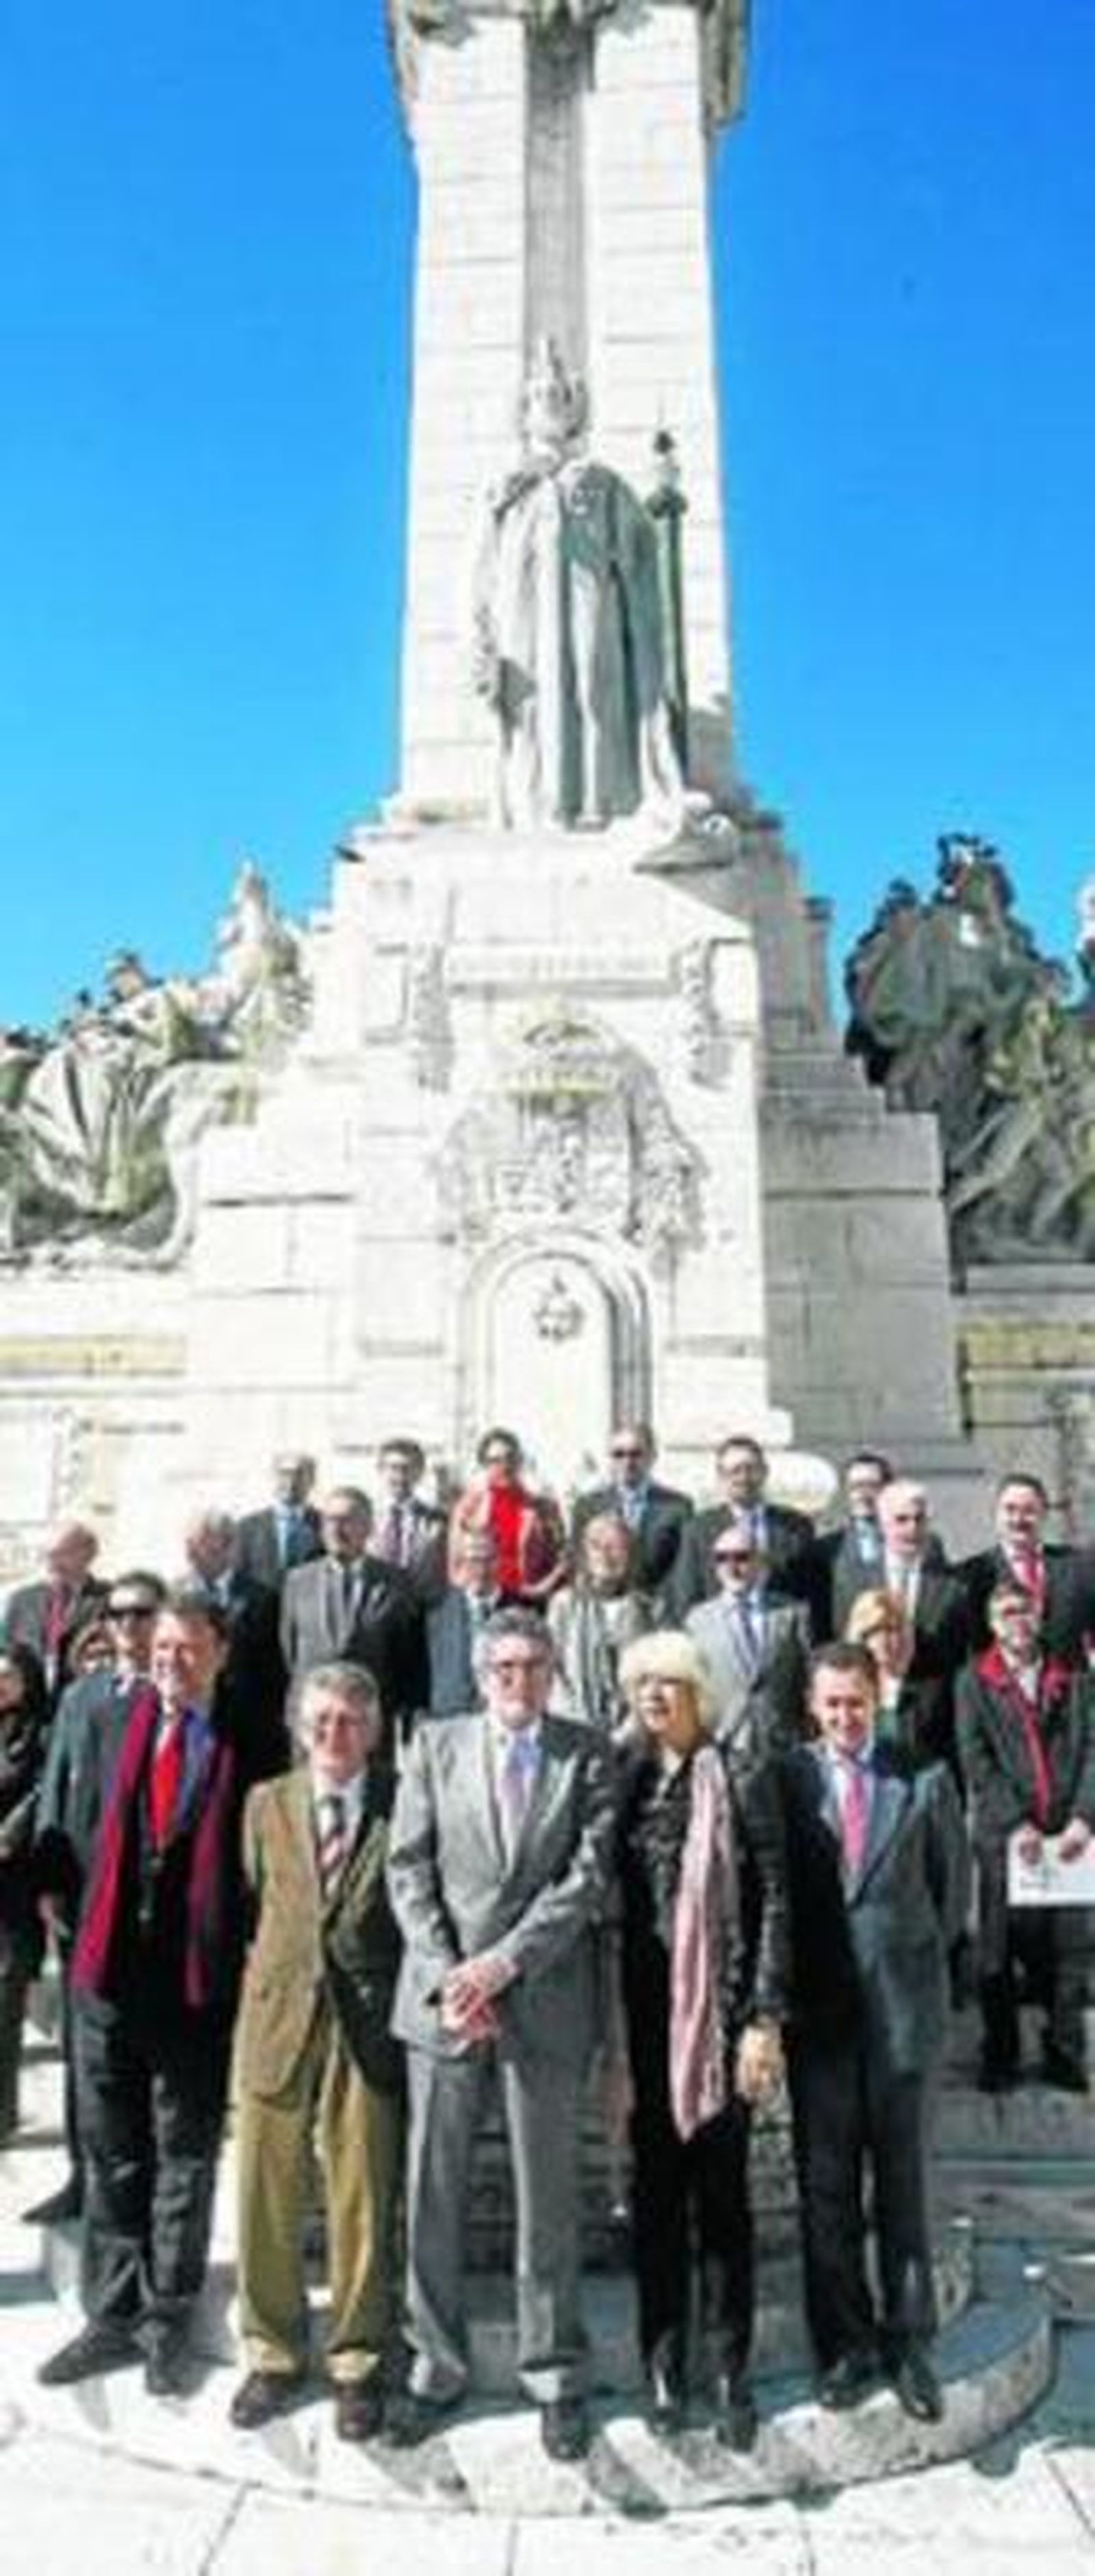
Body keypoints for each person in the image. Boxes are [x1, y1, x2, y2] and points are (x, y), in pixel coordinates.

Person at [385, 1606, 615, 2460]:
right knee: (431, 2188)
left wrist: (503, 1964)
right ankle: (433, 2366)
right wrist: (454, 1971)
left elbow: (586, 1875)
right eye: (503, 1666)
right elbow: (407, 1866)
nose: (518, 1680)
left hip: (543, 1996)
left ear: (552, 1671)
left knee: (546, 2193)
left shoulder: (583, 1752)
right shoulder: (434, 1745)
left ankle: (553, 2368)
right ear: (482, 1674)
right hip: (445, 2000)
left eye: (532, 1665)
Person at [38, 1591, 250, 2395]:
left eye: (188, 1649)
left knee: (183, 2156)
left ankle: (168, 2315)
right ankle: (111, 2312)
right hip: (108, 1977)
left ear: (219, 1653)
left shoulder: (249, 1739)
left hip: (194, 1985)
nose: (171, 1662)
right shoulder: (103, 1720)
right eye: (161, 1648)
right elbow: (72, 1821)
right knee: (113, 2150)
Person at [781, 1643, 968, 2423]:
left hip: (902, 2018)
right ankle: (846, 2345)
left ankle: (909, 2341)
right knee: (826, 2193)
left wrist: (916, 1977)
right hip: (821, 2023)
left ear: (876, 1696)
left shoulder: (921, 1778)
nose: (844, 1716)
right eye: (831, 1703)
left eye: (856, 1701)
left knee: (905, 2190)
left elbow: (952, 1898)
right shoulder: (786, 1780)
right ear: (812, 1707)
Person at [611, 1632, 788, 2446]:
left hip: (717, 2019)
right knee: (654, 2198)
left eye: (668, 1683)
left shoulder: (738, 1773)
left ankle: (729, 2367)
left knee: (722, 2202)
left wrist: (761, 2018)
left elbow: (774, 1899)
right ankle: (662, 2363)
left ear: (697, 1693)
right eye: (642, 1682)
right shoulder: (629, 1778)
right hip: (645, 2023)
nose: (654, 1695)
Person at [230, 1662, 404, 2440]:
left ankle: (356, 2359)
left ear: (372, 1728)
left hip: (366, 2021)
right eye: (322, 1720)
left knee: (361, 2190)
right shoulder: (265, 1802)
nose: (336, 1733)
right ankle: (270, 2351)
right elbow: (253, 1895)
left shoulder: (401, 1803)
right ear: (301, 1727)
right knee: (266, 2187)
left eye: (351, 1720)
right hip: (277, 2016)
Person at [31, 1570, 167, 2224]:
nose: (128, 1627)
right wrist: (49, 1883)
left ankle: (136, 2186)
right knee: (80, 2052)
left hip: (150, 1906)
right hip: (83, 1895)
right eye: (117, 1615)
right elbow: (58, 1783)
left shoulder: (177, 1698)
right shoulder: (84, 1696)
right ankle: (82, 2173)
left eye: (141, 1614)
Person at [956, 1581, 1095, 2094]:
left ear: (1040, 1614)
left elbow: (1094, 1752)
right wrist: (1016, 1823)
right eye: (1007, 1613)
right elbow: (976, 1759)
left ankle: (1064, 2053)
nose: (1018, 1620)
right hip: (1006, 1840)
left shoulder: (1075, 1677)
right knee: (997, 1950)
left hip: (1070, 1839)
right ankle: (1001, 2053)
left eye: (1026, 1610)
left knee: (1070, 1954)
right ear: (994, 1624)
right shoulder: (974, 1681)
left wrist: (1083, 1817)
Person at [280, 1487, 426, 1751]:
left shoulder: (396, 1583)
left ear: (369, 1526)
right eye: (330, 1520)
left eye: (348, 1520)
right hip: (312, 1722)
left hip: (368, 1724)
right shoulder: (298, 1582)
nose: (338, 1529)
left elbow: (406, 1656)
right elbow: (289, 1651)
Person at [684, 1517, 810, 1763]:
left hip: (782, 1746)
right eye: (722, 1558)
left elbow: (805, 1676)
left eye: (741, 1557)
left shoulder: (792, 1613)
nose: (732, 1567)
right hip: (723, 1744)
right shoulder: (697, 1621)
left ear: (761, 1562)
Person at [182, 1507, 289, 1784]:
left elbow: (275, 1669)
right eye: (188, 1542)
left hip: (246, 1726)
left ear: (229, 1545)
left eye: (200, 1542)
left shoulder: (262, 1599)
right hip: (190, 1718)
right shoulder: (176, 1595)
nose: (190, 1551)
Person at [669, 1436, 819, 1623]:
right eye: (735, 1471)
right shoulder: (697, 1530)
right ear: (721, 1476)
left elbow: (810, 1591)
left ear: (764, 1472)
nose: (744, 1478)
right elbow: (686, 1597)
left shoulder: (796, 1527)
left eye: (751, 1469)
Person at [957, 1473, 1095, 1664]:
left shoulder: (1080, 1566)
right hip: (998, 1691)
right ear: (995, 1514)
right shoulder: (969, 1577)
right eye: (1010, 1509)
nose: (1019, 1519)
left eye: (1029, 1510)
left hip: (1070, 1689)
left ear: (1044, 1513)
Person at [0, 1645, 50, 2140]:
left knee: (6, 1997)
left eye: (9, 1676)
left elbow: (41, 1791)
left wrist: (10, 1836)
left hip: (14, 1885)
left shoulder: (41, 1731)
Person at [549, 1512, 652, 1735]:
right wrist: (578, 1724)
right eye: (596, 1546)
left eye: (615, 1547)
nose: (606, 1556)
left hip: (633, 1737)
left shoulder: (648, 1609)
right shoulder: (564, 1605)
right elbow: (552, 1670)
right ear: (585, 1555)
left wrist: (628, 1731)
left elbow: (653, 1676)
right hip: (573, 1728)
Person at [569, 1425, 692, 1610]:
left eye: (636, 1454)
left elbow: (682, 1566)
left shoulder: (678, 1507)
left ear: (651, 1457)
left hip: (655, 1608)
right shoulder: (587, 1506)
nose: (628, 1462)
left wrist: (665, 1603)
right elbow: (579, 1560)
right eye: (619, 1454)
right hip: (602, 1608)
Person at [447, 1430, 567, 1609]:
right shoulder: (468, 1508)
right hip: (485, 1603)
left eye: (511, 1458)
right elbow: (456, 1567)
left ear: (520, 1461)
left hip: (529, 1602)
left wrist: (541, 1589)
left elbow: (561, 1560)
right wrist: (475, 1595)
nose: (505, 1466)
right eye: (495, 1461)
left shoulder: (544, 1509)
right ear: (484, 1465)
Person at [3, 1521, 107, 1705]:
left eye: (62, 1554)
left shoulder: (108, 1601)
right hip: (27, 1712)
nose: (53, 1563)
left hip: (82, 1706)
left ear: (89, 1554)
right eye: (48, 1554)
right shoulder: (21, 1601)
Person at [844, 1587, 940, 1770]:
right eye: (875, 1631)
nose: (885, 1640)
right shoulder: (847, 1692)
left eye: (893, 1630)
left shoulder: (931, 1691)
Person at [424, 1526, 504, 1718]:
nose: (481, 1569)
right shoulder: (434, 1611)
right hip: (448, 1719)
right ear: (460, 1563)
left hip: (504, 1718)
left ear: (500, 1561)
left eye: (489, 1559)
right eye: (474, 1560)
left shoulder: (524, 1610)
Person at [233, 1451, 324, 1593]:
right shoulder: (247, 1528)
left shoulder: (326, 1525)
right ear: (273, 1478)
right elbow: (237, 1575)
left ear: (312, 1480)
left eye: (299, 1474)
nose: (291, 1481)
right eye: (284, 1474)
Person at [372, 1439, 447, 1596]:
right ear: (380, 1470)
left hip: (420, 1609)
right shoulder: (365, 1516)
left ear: (419, 1473)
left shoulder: (438, 1521)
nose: (400, 1476)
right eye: (393, 1468)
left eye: (407, 1469)